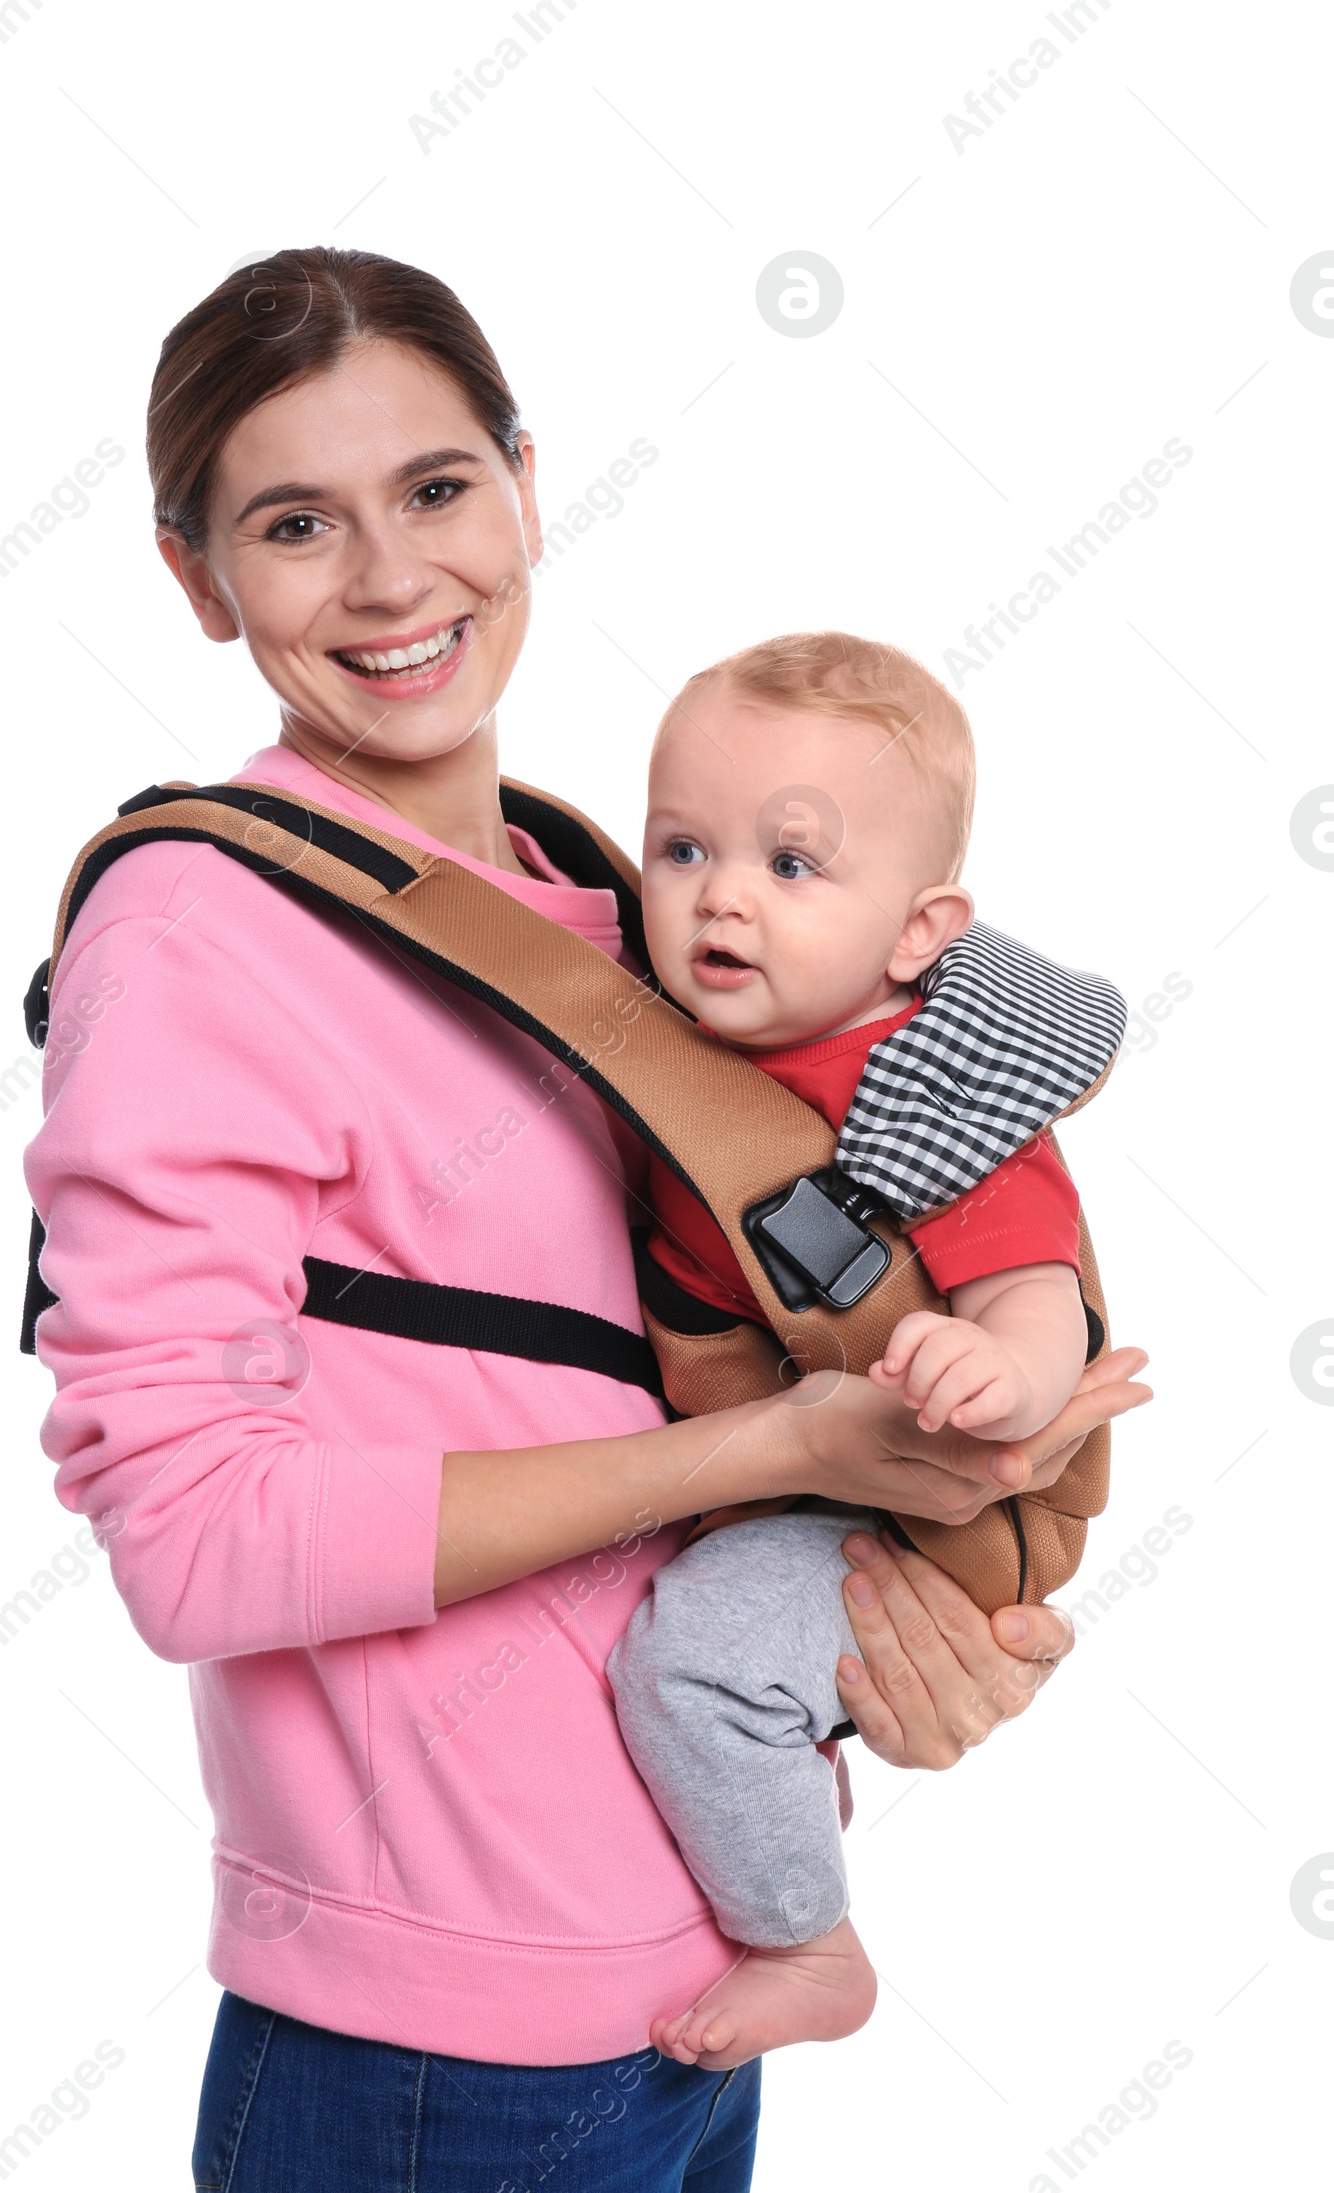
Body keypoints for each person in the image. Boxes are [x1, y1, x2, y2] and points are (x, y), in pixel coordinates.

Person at [22, 247, 1150, 2193]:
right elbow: (194, 1540)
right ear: (198, 576)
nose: (390, 580)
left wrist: (901, 1625)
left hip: (689, 1988)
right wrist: (776, 1447)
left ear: (528, 490)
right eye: (296, 522)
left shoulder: (617, 911)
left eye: (438, 489)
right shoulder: (203, 934)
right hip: (425, 2056)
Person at [610, 631, 1112, 2071]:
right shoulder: (673, 1031)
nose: (720, 898)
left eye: (792, 863)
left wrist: (997, 1371)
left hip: (885, 1509)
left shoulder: (921, 1089)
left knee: (695, 1663)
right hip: (768, 1464)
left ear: (917, 933)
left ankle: (807, 1939)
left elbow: (1041, 1289)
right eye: (683, 847)